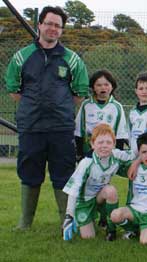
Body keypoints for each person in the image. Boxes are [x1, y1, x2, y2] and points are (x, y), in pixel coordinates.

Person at [4, 6, 89, 230]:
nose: (53, 28)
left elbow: (80, 92)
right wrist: (34, 107)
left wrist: (58, 107)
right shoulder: (21, 57)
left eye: (58, 26)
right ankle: (25, 222)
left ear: (62, 30)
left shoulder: (72, 59)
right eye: (49, 23)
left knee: (63, 173)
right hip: (31, 126)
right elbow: (13, 89)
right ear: (39, 25)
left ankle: (65, 221)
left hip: (61, 127)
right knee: (30, 171)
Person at [62, 124, 135, 241]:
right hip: (85, 201)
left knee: (110, 190)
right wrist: (69, 216)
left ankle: (111, 230)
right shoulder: (86, 163)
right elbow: (73, 190)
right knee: (89, 237)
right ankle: (81, 218)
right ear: (92, 144)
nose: (104, 146)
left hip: (101, 196)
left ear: (114, 144)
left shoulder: (116, 155)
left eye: (108, 142)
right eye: (100, 142)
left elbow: (135, 154)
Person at [110, 132, 147, 244]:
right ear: (139, 153)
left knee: (146, 242)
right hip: (133, 211)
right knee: (115, 215)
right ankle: (132, 229)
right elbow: (112, 162)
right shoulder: (131, 166)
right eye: (144, 152)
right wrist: (136, 162)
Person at [75, 69, 129, 158]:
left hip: (108, 152)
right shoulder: (86, 105)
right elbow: (79, 131)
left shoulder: (117, 107)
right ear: (93, 87)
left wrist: (118, 155)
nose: (103, 88)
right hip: (88, 151)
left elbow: (120, 134)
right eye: (99, 85)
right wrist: (80, 154)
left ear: (112, 86)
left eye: (106, 84)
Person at [128, 71, 147, 154]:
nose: (144, 91)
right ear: (136, 91)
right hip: (134, 153)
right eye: (141, 88)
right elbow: (129, 134)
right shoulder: (132, 112)